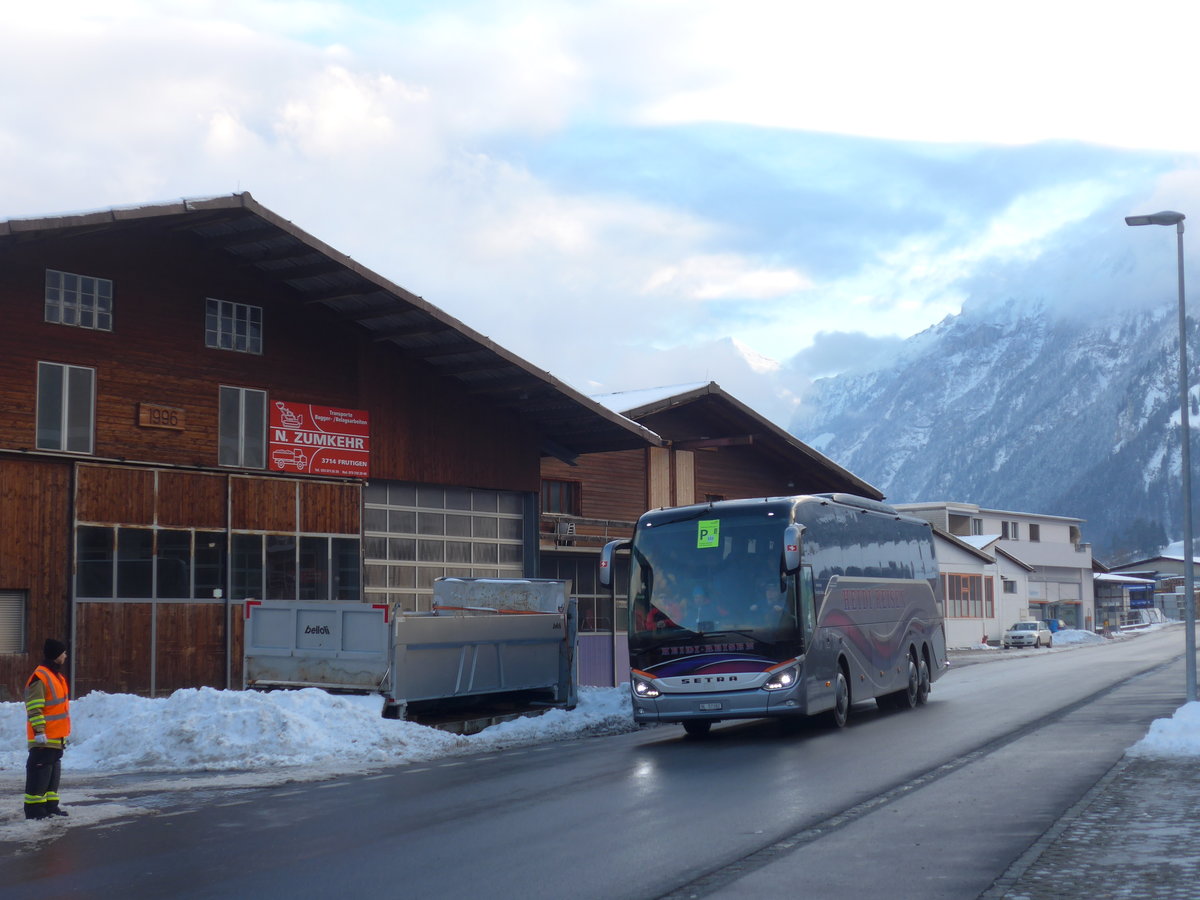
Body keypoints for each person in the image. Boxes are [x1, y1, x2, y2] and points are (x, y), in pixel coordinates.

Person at [24, 638, 71, 820]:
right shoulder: (40, 676)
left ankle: (50, 807)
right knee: (40, 775)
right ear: (57, 655)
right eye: (64, 652)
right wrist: (39, 731)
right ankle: (35, 811)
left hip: (56, 737)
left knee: (52, 776)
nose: (66, 656)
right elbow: (34, 707)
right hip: (44, 736)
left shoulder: (55, 675)